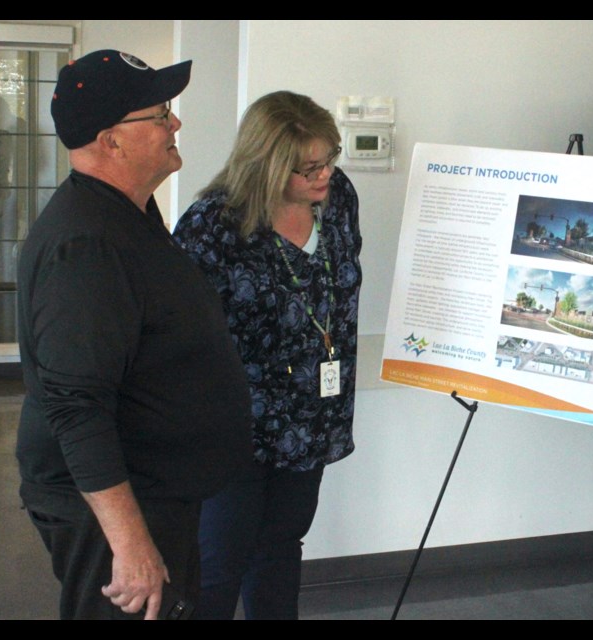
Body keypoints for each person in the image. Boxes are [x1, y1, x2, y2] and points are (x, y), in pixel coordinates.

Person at [16, 50, 252, 620]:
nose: (176, 123)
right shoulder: (87, 246)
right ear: (112, 140)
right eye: (160, 112)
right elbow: (76, 405)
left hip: (156, 493)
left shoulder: (129, 214)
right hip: (113, 509)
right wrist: (130, 544)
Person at [172, 91, 362, 619]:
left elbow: (339, 280)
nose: (324, 175)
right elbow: (179, 333)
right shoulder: (213, 225)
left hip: (310, 418)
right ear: (268, 164)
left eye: (330, 159)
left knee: (282, 549)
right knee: (218, 566)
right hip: (233, 427)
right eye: (308, 168)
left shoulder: (338, 198)